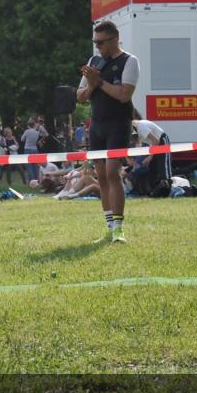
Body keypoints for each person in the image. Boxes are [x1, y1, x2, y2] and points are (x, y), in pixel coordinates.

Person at [77, 20, 139, 243]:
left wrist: (99, 82)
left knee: (113, 173)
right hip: (97, 126)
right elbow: (80, 96)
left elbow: (124, 95)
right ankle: (109, 226)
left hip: (118, 124)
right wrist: (93, 84)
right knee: (101, 176)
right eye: (95, 42)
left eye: (101, 42)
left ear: (114, 40)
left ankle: (119, 229)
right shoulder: (94, 62)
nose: (97, 47)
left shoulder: (129, 61)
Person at [131, 117, 171, 194]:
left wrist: (149, 157)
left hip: (162, 141)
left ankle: (168, 187)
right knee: (153, 167)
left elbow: (156, 141)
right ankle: (155, 189)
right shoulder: (136, 128)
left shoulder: (141, 127)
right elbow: (138, 143)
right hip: (154, 144)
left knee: (163, 166)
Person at [20, 119, 41, 185]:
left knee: (29, 166)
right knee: (35, 166)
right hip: (35, 149)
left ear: (28, 125)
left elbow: (22, 139)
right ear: (34, 125)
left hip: (27, 149)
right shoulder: (37, 132)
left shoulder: (27, 131)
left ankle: (32, 181)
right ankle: (37, 180)